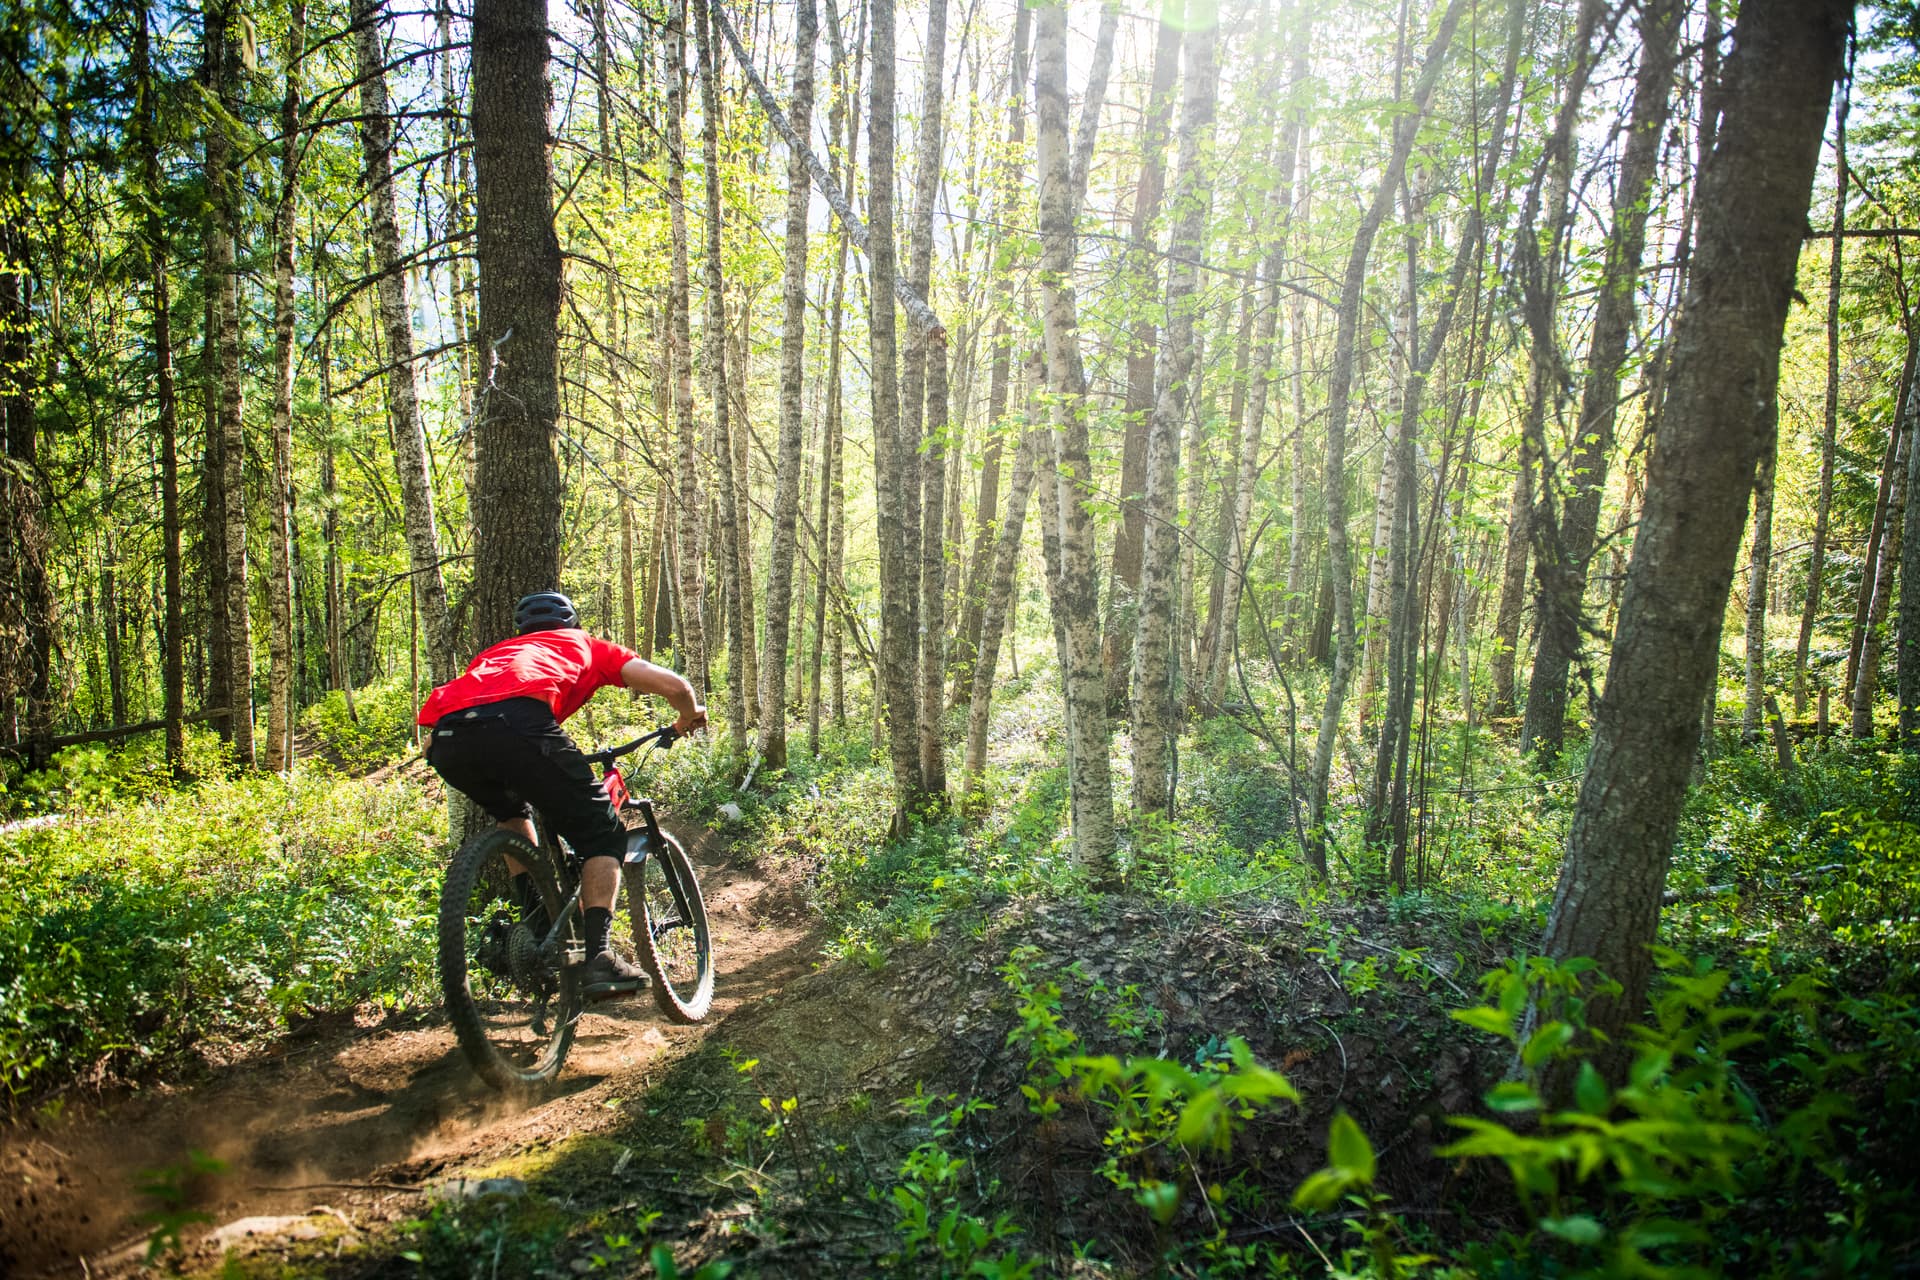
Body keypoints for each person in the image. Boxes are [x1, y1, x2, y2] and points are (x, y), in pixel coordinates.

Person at [418, 591, 707, 997]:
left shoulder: (494, 654)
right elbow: (674, 685)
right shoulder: (586, 645)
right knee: (603, 834)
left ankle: (536, 924)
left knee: (512, 814)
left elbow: (473, 703)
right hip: (520, 727)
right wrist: (688, 715)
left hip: (448, 739)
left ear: (522, 630)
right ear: (572, 623)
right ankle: (599, 959)